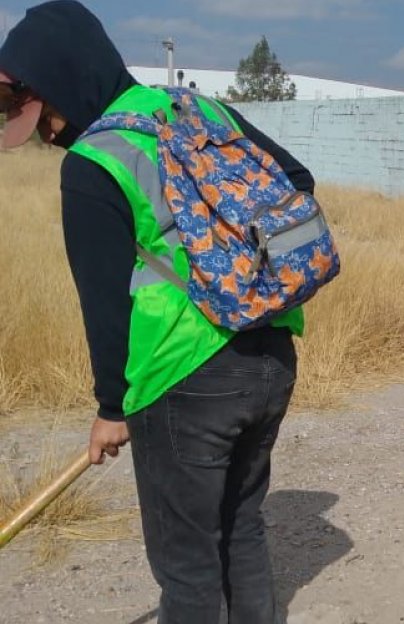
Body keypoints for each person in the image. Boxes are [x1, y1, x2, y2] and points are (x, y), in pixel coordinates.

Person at [0, 2, 314, 621]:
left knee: (188, 564)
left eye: (42, 115)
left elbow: (105, 303)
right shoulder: (201, 111)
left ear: (65, 78)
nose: (45, 134)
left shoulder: (95, 164)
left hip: (182, 379)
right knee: (242, 529)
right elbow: (296, 181)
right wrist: (234, 266)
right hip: (271, 356)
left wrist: (111, 408)